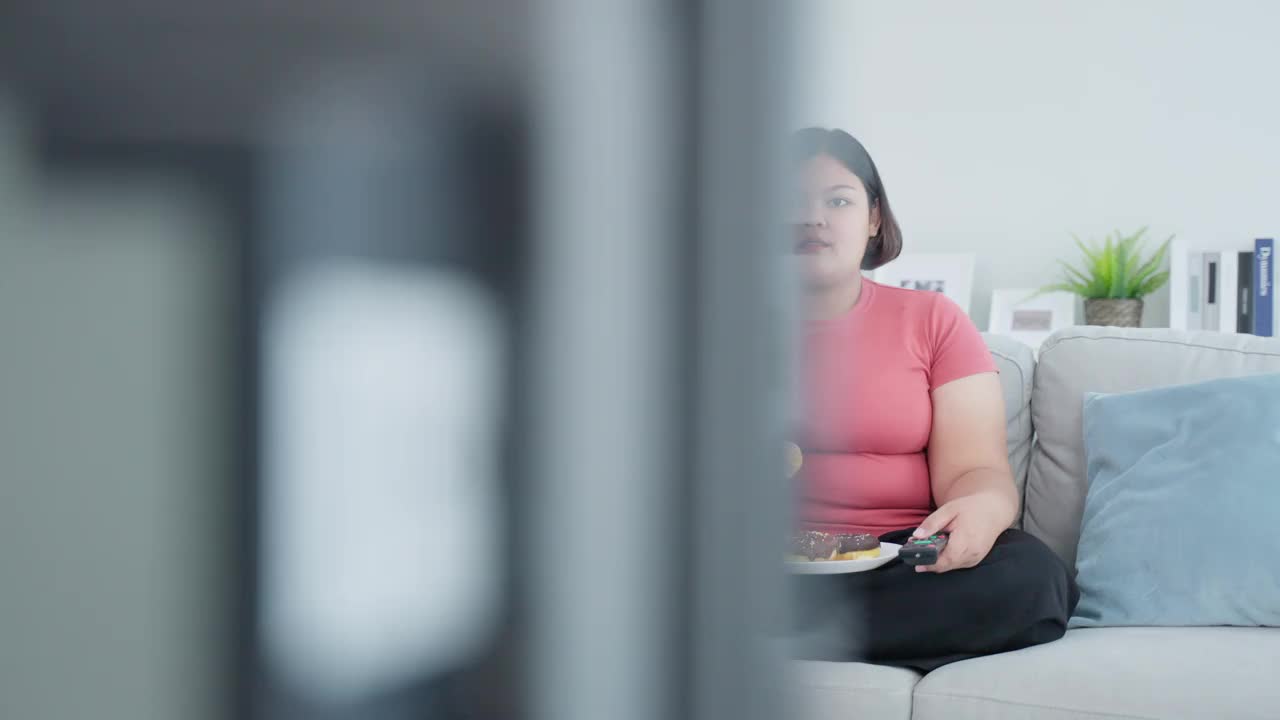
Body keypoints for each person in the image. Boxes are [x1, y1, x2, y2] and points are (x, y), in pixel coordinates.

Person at [788, 127, 1078, 673]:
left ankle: (768, 637)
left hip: (898, 562)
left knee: (1033, 577)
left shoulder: (932, 320)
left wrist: (984, 511)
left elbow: (975, 469)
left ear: (874, 218)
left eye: (839, 200)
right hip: (755, 562)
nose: (813, 217)